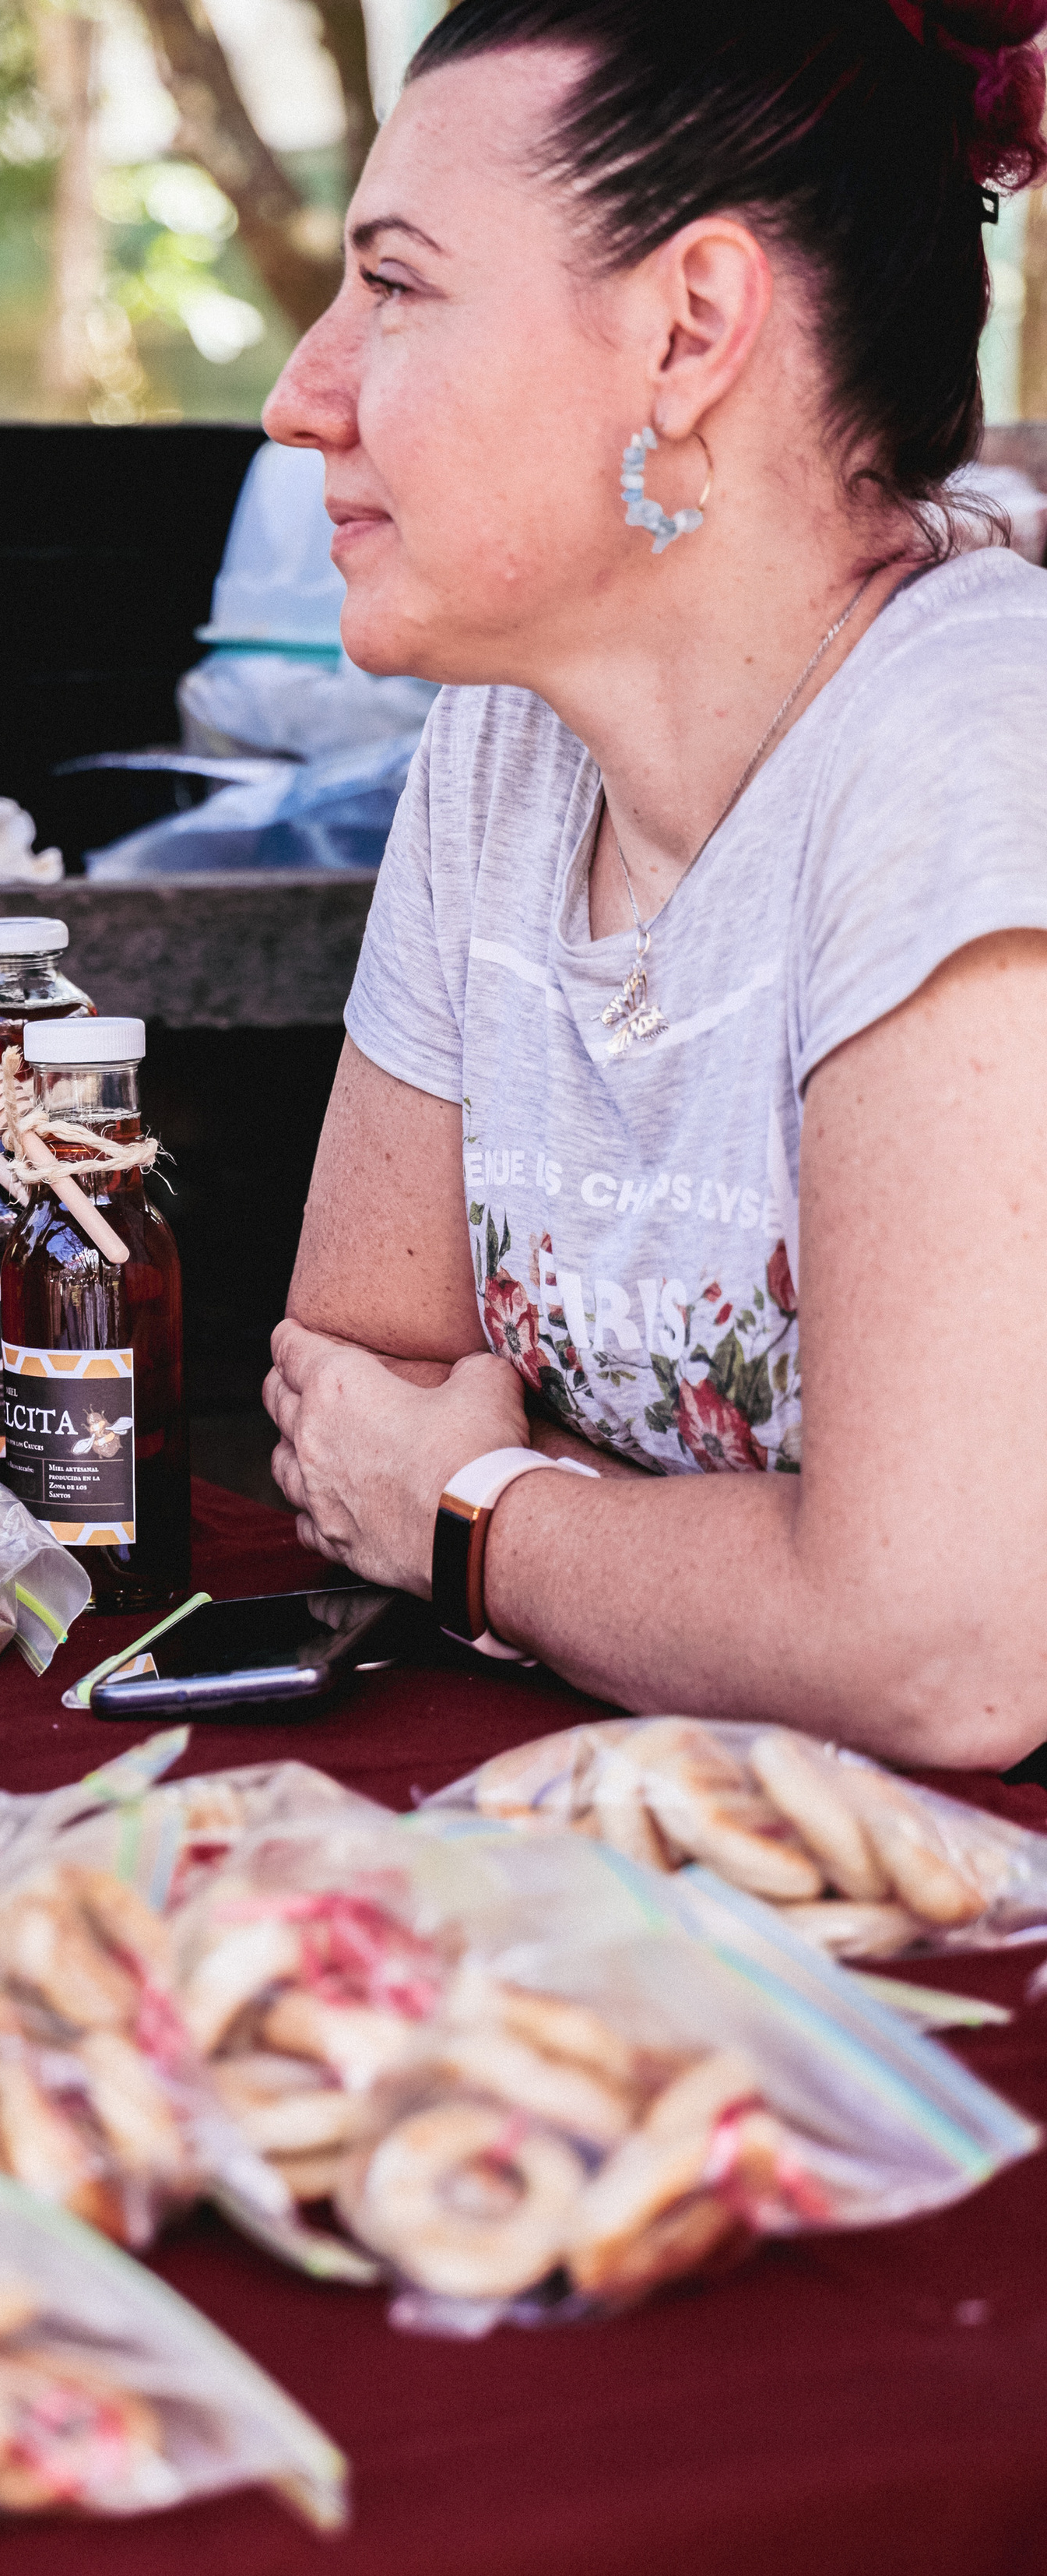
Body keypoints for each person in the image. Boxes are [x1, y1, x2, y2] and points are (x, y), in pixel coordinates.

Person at [261, 0, 1047, 1767]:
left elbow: (939, 1648)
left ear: (686, 331)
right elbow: (352, 1383)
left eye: (392, 286)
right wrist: (733, 1577)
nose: (298, 395)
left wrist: (475, 1520)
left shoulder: (976, 746)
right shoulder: (503, 743)